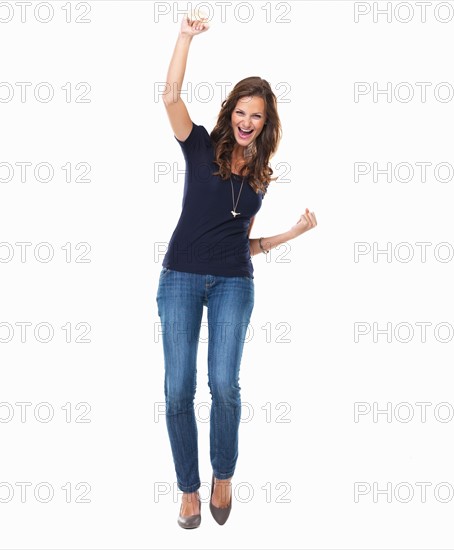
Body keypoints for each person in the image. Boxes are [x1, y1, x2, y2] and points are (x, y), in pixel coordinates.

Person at [157, 14, 317, 529]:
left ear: (266, 124)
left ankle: (223, 474)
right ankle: (188, 488)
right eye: (242, 111)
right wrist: (184, 38)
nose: (248, 121)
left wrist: (290, 235)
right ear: (231, 113)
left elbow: (239, 241)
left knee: (223, 383)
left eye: (258, 116)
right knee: (178, 388)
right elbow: (170, 96)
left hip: (233, 283)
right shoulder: (199, 144)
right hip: (180, 276)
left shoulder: (262, 178)